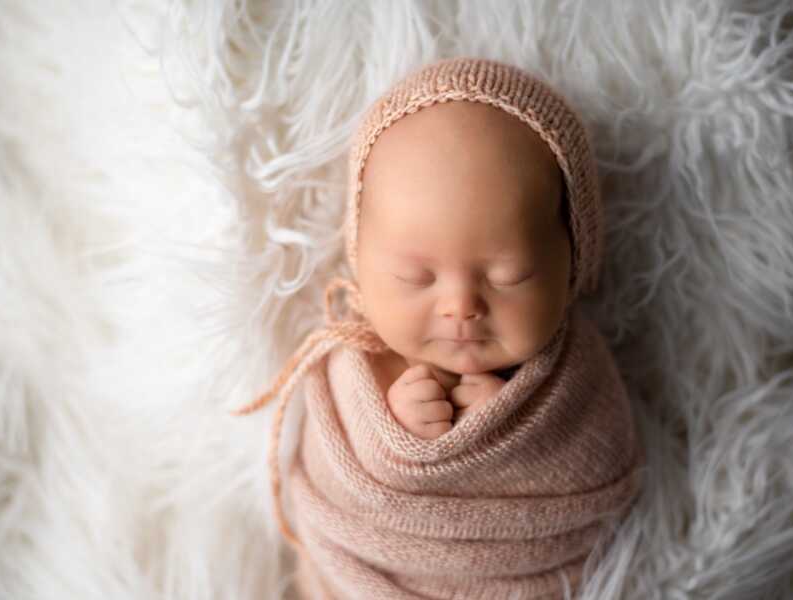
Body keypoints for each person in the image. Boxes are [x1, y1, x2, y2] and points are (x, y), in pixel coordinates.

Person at [232, 56, 646, 600]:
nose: (461, 305)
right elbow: (335, 480)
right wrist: (394, 440)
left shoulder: (579, 382)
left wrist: (506, 437)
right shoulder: (351, 370)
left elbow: (603, 472)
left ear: (572, 260)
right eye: (415, 276)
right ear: (361, 258)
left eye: (508, 276)